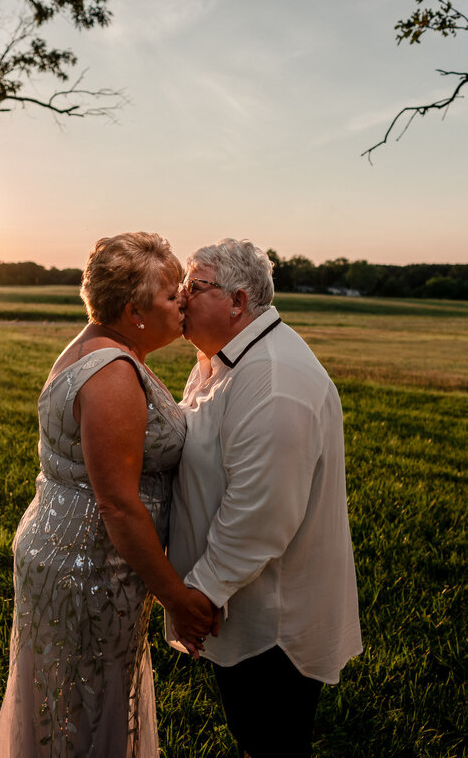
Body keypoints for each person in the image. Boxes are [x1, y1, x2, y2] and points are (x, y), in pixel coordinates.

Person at [0, 232, 217, 758]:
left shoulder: (103, 345)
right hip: (90, 567)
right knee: (86, 711)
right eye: (169, 295)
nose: (181, 301)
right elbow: (117, 504)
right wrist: (176, 599)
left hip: (71, 551)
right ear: (135, 311)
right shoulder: (112, 373)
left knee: (69, 705)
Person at [167, 238, 362, 758]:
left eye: (195, 286)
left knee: (274, 743)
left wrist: (199, 596)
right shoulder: (223, 361)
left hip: (275, 624)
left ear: (238, 299)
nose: (180, 298)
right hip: (243, 606)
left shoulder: (274, 379)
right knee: (254, 738)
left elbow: (261, 514)